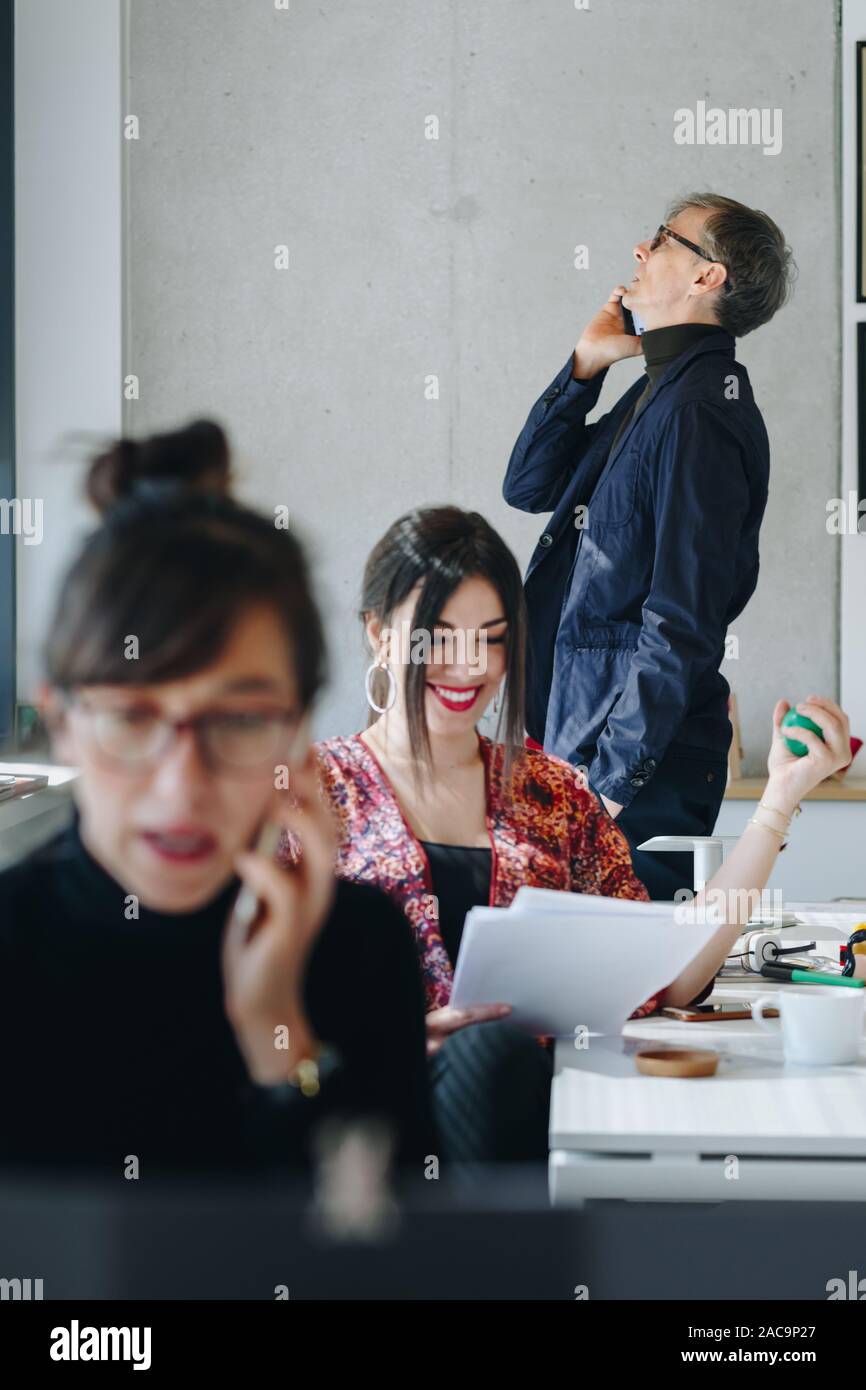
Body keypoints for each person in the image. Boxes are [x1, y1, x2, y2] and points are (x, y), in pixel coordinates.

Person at [279, 505, 850, 1164]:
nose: (467, 667)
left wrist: (778, 799)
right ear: (380, 635)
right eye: (436, 638)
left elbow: (671, 977)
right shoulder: (312, 794)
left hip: (545, 1122)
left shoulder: (552, 792)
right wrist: (395, 1044)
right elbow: (252, 1004)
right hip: (373, 1128)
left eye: (491, 638)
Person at [0, 421, 435, 1180]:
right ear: (63, 723)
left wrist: (279, 1033)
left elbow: (382, 1263)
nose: (182, 785)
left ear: (299, 732)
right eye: (132, 718)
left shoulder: (359, 950)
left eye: (238, 719)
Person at [503, 192, 796, 898]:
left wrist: (608, 788)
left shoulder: (701, 411)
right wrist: (587, 362)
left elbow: (683, 622)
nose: (641, 250)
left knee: (635, 1003)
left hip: (629, 770)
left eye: (663, 239)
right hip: (584, 748)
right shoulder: (660, 393)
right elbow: (529, 485)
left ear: (707, 276)